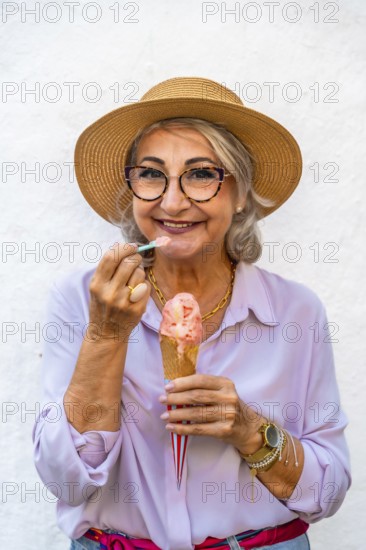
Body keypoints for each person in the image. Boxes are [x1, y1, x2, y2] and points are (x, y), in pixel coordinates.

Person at [33, 77, 351, 550]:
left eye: (202, 174)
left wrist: (249, 430)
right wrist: (104, 334)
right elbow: (69, 482)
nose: (174, 201)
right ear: (132, 187)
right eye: (151, 173)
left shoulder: (295, 312)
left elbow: (327, 492)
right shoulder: (83, 299)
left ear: (240, 192)